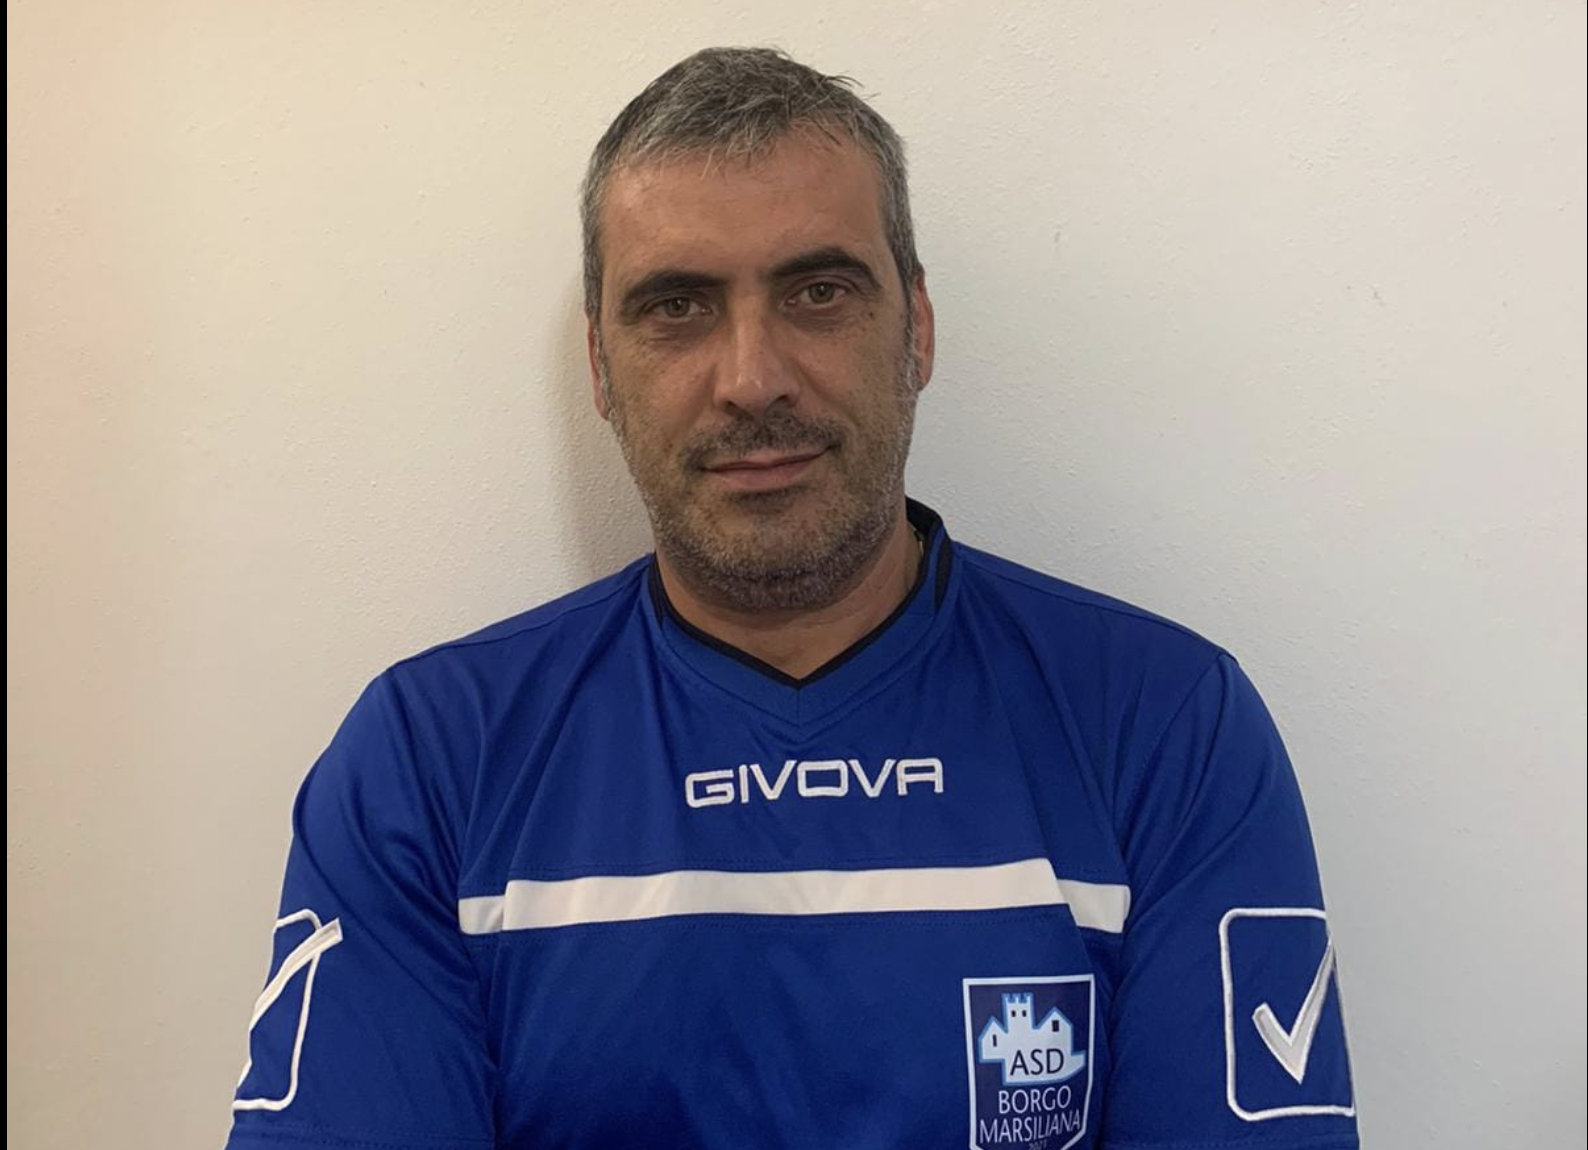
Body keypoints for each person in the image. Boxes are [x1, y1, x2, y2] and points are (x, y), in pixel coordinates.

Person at [224, 47, 1359, 1150]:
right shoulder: (430, 760)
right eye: (677, 306)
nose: (752, 379)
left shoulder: (1163, 727)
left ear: (916, 329)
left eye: (819, 292)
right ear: (602, 368)